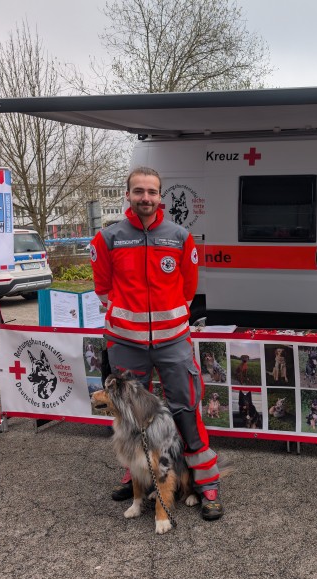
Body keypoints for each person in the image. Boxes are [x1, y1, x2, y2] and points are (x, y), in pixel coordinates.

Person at [90, 166, 223, 520]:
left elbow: (188, 289)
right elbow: (102, 288)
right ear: (128, 195)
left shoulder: (180, 236)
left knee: (187, 410)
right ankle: (138, 474)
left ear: (160, 196)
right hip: (125, 342)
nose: (145, 198)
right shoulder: (108, 239)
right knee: (128, 412)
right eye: (138, 191)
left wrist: (169, 318)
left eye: (151, 191)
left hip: (173, 341)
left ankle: (205, 482)